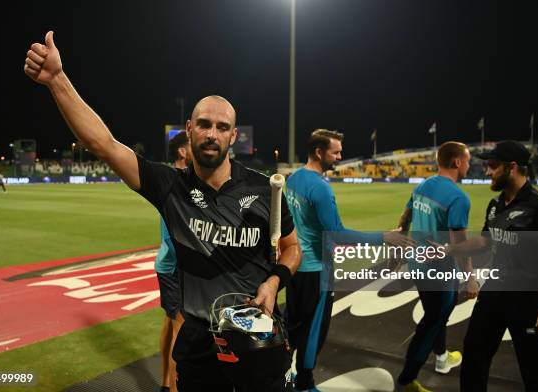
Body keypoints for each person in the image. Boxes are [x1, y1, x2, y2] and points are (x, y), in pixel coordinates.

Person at [24, 31, 301, 392]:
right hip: (199, 344)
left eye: (222, 127)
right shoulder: (170, 186)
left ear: (234, 137)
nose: (212, 134)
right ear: (189, 130)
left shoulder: (265, 189)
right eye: (204, 124)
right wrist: (57, 80)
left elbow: (293, 249)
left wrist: (274, 280)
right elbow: (104, 145)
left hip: (258, 340)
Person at [284, 129, 416, 392]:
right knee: (313, 332)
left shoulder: (295, 178)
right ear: (319, 152)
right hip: (317, 271)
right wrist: (384, 238)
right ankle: (304, 384)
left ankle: (283, 375)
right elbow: (340, 234)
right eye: (336, 151)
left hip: (295, 265)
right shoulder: (320, 188)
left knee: (293, 325)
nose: (340, 156)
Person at [442, 140, 538, 391]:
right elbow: (484, 241)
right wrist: (450, 249)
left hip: (529, 301)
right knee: (474, 356)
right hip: (495, 291)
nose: (487, 171)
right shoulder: (496, 204)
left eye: (492, 165)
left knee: (533, 370)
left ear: (512, 167)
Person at [394, 141, 478, 392]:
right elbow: (460, 244)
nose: (469, 165)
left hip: (417, 265)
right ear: (456, 162)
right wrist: (471, 279)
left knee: (436, 314)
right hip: (440, 271)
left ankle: (442, 358)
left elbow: (405, 216)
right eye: (468, 160)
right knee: (431, 321)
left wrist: (398, 248)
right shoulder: (458, 197)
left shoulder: (424, 185)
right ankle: (406, 381)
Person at [157, 132, 192, 392]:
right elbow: (173, 233)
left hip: (168, 263)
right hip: (174, 265)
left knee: (171, 323)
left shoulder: (181, 179)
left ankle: (165, 384)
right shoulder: (174, 181)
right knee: (180, 327)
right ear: (182, 151)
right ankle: (172, 388)